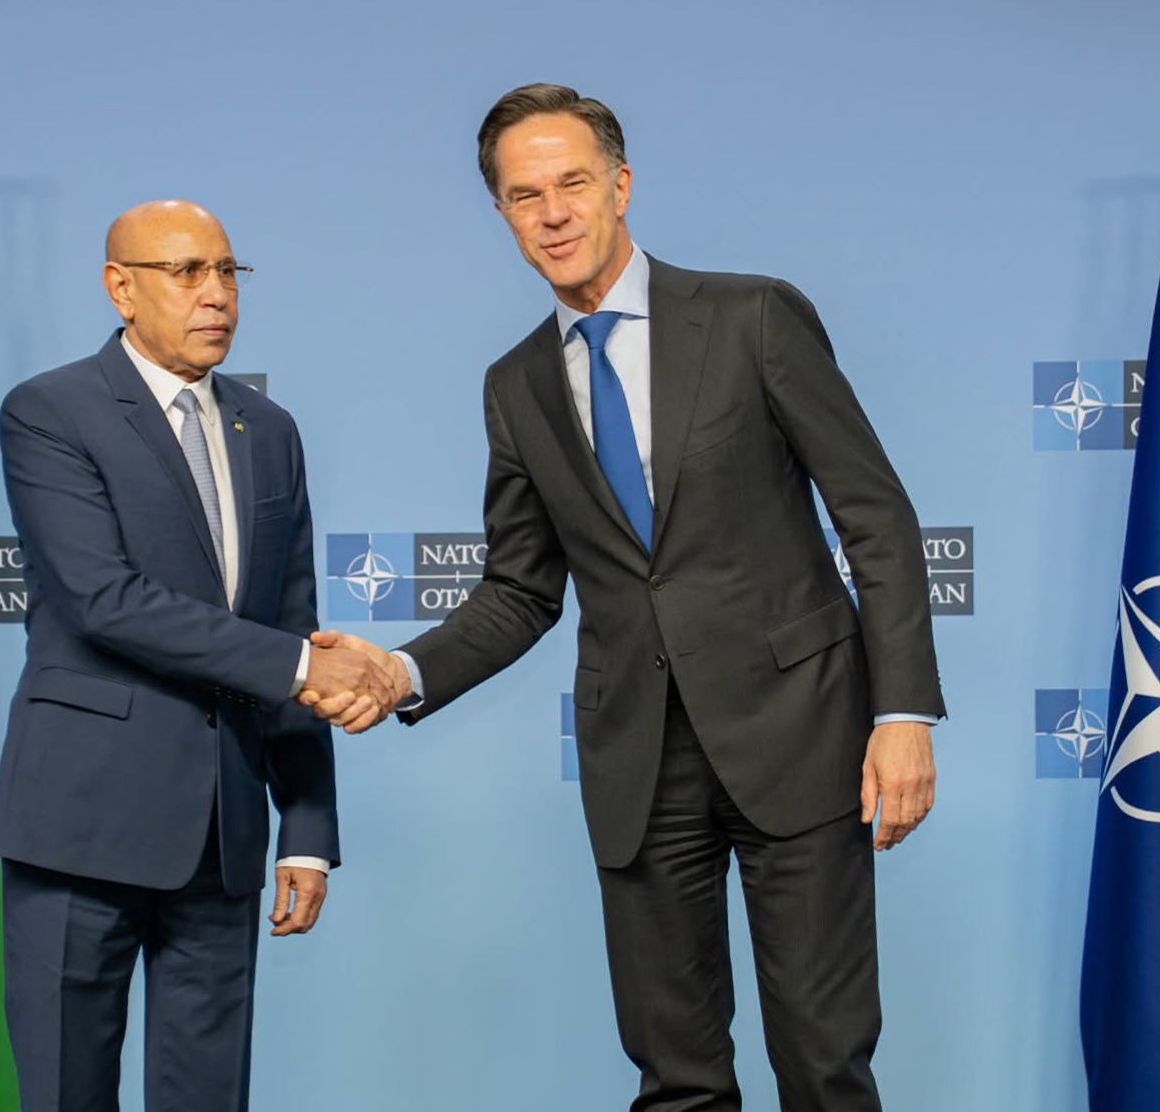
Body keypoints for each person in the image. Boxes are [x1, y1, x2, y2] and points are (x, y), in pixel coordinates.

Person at [303, 86, 945, 1111]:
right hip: (638, 764)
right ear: (502, 214)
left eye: (572, 183)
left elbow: (875, 515)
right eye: (525, 196)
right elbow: (520, 589)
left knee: (823, 1065)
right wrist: (400, 669)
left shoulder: (752, 316)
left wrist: (900, 711)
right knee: (675, 1079)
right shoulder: (514, 384)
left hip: (800, 733)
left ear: (620, 186)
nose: (553, 213)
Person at [0, 200, 392, 1112]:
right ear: (120, 288)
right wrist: (304, 668)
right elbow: (105, 601)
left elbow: (294, 626)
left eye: (228, 272)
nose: (216, 295)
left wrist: (308, 827)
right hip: (80, 827)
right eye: (186, 272)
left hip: (222, 835)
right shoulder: (50, 411)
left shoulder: (269, 429)